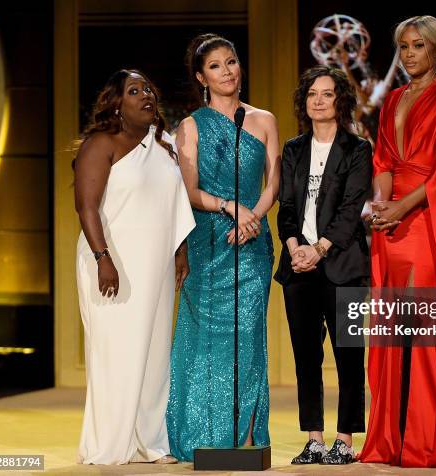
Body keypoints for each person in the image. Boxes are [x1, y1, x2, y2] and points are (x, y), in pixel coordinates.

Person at [358, 16, 436, 468]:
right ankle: (392, 440)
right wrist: (379, 203)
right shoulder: (393, 97)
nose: (410, 53)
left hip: (426, 220)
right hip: (390, 225)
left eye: (418, 46)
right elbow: (382, 159)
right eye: (403, 46)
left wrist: (402, 207)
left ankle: (427, 440)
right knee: (394, 334)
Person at [165, 34, 280, 461]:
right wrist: (230, 207)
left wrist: (253, 216)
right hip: (209, 241)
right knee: (206, 343)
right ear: (201, 77)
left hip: (252, 244)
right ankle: (205, 435)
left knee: (249, 337)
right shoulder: (191, 126)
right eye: (215, 66)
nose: (227, 71)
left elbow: (275, 181)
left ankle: (248, 440)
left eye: (231, 61)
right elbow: (190, 192)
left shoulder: (264, 119)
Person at [74, 69, 195, 465]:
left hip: (155, 266)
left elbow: (174, 202)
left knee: (154, 354)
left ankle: (150, 444)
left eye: (148, 90)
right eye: (134, 90)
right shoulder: (101, 144)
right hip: (112, 264)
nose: (146, 96)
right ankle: (110, 445)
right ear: (116, 102)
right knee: (117, 353)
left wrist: (179, 252)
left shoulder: (162, 145)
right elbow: (86, 206)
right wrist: (102, 258)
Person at [275, 65, 372, 465]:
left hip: (342, 265)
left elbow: (351, 212)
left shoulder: (357, 148)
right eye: (312, 93)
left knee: (348, 354)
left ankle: (344, 440)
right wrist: (295, 246)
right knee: (306, 357)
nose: (318, 100)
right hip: (300, 268)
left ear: (340, 101)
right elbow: (287, 208)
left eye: (327, 93)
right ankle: (314, 437)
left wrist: (320, 248)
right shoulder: (294, 148)